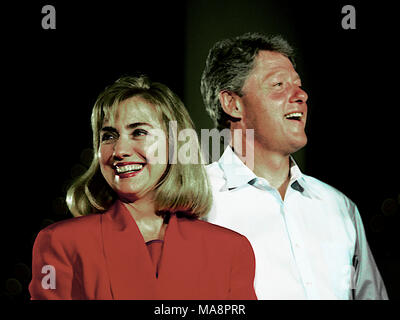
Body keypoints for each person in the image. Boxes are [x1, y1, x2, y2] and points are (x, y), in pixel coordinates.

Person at [29, 75, 257, 300]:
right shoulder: (60, 243)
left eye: (139, 132)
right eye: (108, 136)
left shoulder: (230, 250)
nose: (119, 150)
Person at [200, 32, 388, 300]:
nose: (301, 95)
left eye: (298, 85)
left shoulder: (340, 207)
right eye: (278, 84)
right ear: (233, 103)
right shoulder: (195, 202)